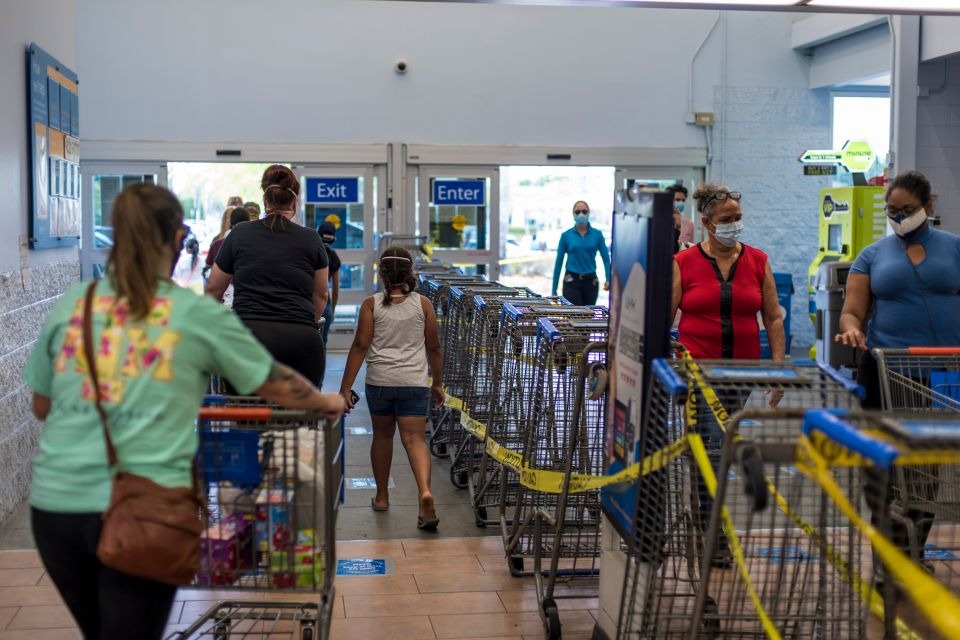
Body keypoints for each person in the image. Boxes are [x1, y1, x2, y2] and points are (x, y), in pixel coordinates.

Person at [22, 183, 345, 640]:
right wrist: (324, 400)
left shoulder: (76, 304)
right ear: (177, 242)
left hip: (56, 509)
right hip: (147, 507)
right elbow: (274, 381)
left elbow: (42, 405)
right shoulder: (191, 314)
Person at [836, 170, 960, 563]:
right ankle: (886, 556)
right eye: (892, 210)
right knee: (886, 465)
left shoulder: (954, 249)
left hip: (940, 375)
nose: (900, 216)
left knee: (925, 468)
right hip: (887, 372)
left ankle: (912, 554)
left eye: (908, 210)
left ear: (927, 207)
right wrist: (852, 331)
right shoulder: (872, 255)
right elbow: (852, 312)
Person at [671, 182, 785, 564]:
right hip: (698, 371)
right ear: (706, 222)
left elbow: (772, 316)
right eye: (726, 219)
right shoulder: (683, 263)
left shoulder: (757, 260)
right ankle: (712, 532)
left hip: (743, 372)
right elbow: (666, 317)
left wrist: (778, 367)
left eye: (737, 218)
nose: (734, 224)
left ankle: (707, 521)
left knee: (718, 450)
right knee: (713, 449)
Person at [339, 247, 444, 530]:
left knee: (383, 437)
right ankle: (424, 491)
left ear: (382, 274)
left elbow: (360, 346)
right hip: (414, 383)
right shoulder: (423, 304)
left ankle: (382, 496)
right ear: (410, 273)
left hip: (380, 383)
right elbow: (433, 347)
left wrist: (345, 387)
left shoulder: (371, 304)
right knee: (415, 440)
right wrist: (438, 383)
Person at [205, 165, 329, 386]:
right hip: (300, 344)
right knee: (300, 416)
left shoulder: (239, 234)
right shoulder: (311, 239)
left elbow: (214, 289)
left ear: (265, 200)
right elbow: (321, 295)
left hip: (247, 340)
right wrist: (302, 322)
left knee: (248, 415)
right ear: (294, 202)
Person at [551, 200, 612, 304]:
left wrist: (608, 279)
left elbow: (606, 259)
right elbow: (558, 263)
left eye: (584, 211)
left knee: (588, 317)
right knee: (574, 316)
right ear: (573, 214)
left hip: (591, 281)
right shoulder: (566, 236)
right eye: (577, 212)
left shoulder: (597, 235)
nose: (581, 214)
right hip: (571, 281)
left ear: (589, 213)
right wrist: (554, 290)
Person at [318, 220, 341, 347]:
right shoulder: (333, 256)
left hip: (307, 303)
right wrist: (332, 310)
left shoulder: (311, 252)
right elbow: (336, 291)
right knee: (322, 343)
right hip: (325, 304)